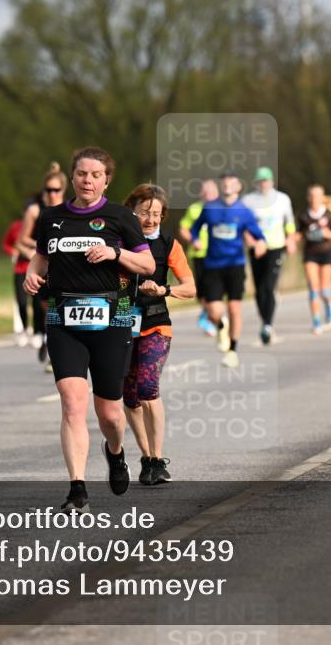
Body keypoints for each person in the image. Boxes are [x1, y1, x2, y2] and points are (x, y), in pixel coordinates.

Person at [23, 147, 156, 513]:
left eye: (96, 175)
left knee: (110, 414)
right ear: (72, 177)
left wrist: (115, 254)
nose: (88, 181)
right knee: (71, 403)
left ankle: (115, 452)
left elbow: (146, 263)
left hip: (111, 320)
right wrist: (32, 275)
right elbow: (41, 256)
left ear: (106, 180)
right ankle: (77, 488)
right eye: (82, 174)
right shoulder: (52, 218)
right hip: (63, 318)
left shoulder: (120, 217)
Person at [122, 184, 196, 485]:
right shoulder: (119, 241)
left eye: (156, 214)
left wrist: (164, 289)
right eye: (144, 213)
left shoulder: (169, 244)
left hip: (156, 323)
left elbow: (191, 287)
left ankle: (157, 456)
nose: (150, 220)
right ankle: (146, 457)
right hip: (122, 324)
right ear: (131, 212)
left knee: (148, 386)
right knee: (129, 396)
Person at [189, 171, 267, 368]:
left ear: (239, 187)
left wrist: (260, 245)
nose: (227, 184)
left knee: (234, 308)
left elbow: (259, 236)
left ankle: (232, 350)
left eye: (232, 181)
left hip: (235, 265)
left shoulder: (244, 211)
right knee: (214, 312)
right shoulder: (210, 208)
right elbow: (195, 228)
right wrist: (195, 240)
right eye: (224, 181)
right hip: (213, 265)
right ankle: (221, 327)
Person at [20, 163, 69, 370]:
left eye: (56, 190)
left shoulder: (71, 210)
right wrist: (38, 251)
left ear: (64, 191)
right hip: (42, 269)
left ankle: (54, 351)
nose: (52, 194)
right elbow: (21, 241)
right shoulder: (35, 211)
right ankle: (50, 346)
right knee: (50, 312)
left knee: (63, 311)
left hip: (64, 270)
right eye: (48, 190)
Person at [242, 166, 296, 345]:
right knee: (259, 290)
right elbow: (243, 226)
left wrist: (290, 239)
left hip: (275, 246)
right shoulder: (248, 200)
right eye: (260, 181)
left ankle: (267, 324)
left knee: (269, 286)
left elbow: (289, 222)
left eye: (266, 180)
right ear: (256, 183)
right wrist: (251, 241)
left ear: (272, 181)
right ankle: (265, 320)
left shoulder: (282, 199)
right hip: (257, 247)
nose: (264, 184)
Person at [295, 184, 331, 334]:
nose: (314, 199)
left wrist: (329, 234)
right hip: (310, 254)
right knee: (313, 288)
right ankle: (316, 321)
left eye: (317, 196)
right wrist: (292, 240)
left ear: (322, 198)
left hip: (327, 254)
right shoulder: (304, 216)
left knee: (324, 290)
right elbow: (299, 234)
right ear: (308, 198)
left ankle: (329, 306)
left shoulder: (329, 215)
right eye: (311, 196)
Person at [178, 179, 217, 337]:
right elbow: (183, 229)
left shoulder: (221, 208)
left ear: (216, 193)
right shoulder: (194, 209)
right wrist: (193, 240)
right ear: (201, 193)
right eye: (205, 191)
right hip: (198, 255)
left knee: (213, 288)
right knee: (199, 291)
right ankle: (207, 312)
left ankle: (211, 318)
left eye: (211, 191)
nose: (208, 194)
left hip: (216, 255)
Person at [2, 204, 33, 346]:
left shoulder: (40, 224)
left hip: (37, 269)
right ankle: (24, 329)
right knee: (22, 301)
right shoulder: (15, 226)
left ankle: (39, 331)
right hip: (20, 269)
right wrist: (12, 252)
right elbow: (6, 244)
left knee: (39, 303)